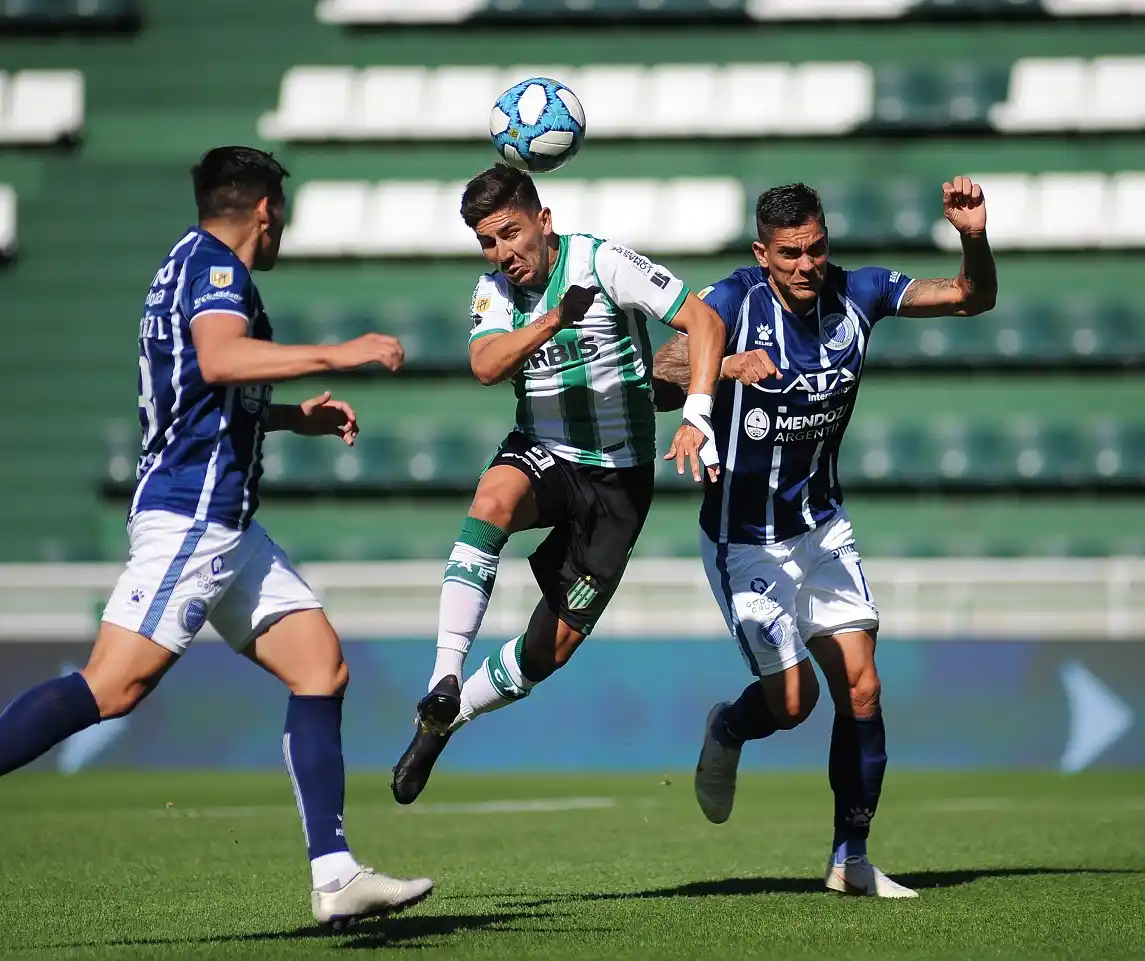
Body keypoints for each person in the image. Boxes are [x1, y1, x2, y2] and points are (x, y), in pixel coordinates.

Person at [0, 146, 433, 928]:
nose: (282, 227)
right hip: (193, 518)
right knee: (112, 685)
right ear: (266, 209)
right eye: (282, 212)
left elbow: (199, 391)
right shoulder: (218, 271)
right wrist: (340, 352)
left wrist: (291, 417)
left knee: (320, 665)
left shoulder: (183, 263)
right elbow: (221, 357)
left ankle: (335, 874)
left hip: (225, 522)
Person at [651, 178, 997, 897]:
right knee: (792, 701)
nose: (806, 264)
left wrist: (972, 237)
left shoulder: (858, 292)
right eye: (789, 254)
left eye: (815, 248)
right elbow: (661, 367)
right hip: (744, 538)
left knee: (863, 688)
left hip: (821, 525)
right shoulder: (733, 301)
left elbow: (971, 296)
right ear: (763, 254)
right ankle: (727, 729)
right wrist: (725, 365)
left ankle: (851, 858)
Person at [391, 163, 725, 804]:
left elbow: (704, 323)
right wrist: (554, 321)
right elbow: (485, 364)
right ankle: (443, 677)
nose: (502, 253)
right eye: (488, 242)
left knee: (554, 646)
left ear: (544, 221)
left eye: (511, 234)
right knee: (491, 501)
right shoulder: (494, 290)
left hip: (619, 480)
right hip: (544, 450)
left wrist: (697, 415)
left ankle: (445, 721)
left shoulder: (603, 263)